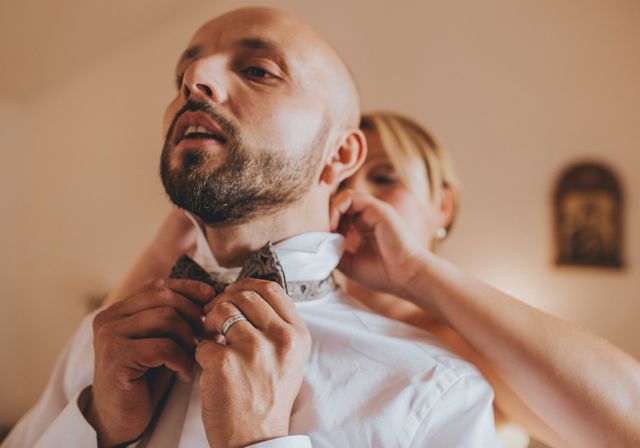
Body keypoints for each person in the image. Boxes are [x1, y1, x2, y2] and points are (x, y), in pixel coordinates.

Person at [2, 8, 498, 447]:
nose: (194, 79)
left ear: (340, 154)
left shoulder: (433, 391)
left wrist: (257, 444)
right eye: (182, 74)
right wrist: (96, 428)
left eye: (258, 70)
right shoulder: (102, 342)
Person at [105, 111, 640, 448]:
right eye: (341, 178)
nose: (354, 195)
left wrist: (417, 275)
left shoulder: (457, 349)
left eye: (386, 177)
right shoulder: (245, 308)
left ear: (443, 206)